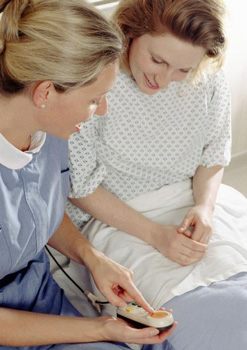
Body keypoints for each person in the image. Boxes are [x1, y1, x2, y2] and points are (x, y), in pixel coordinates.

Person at [65, 0, 247, 349]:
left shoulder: (206, 76)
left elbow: (214, 152)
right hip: (118, 217)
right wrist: (155, 235)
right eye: (157, 60)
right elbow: (80, 186)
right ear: (131, 33)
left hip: (194, 201)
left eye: (181, 70)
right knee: (194, 318)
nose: (164, 80)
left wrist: (205, 208)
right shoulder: (97, 80)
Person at [0, 0, 177, 349]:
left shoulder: (49, 132)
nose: (102, 110)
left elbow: (34, 212)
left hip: (42, 302)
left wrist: (92, 257)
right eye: (95, 99)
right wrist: (99, 330)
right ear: (45, 93)